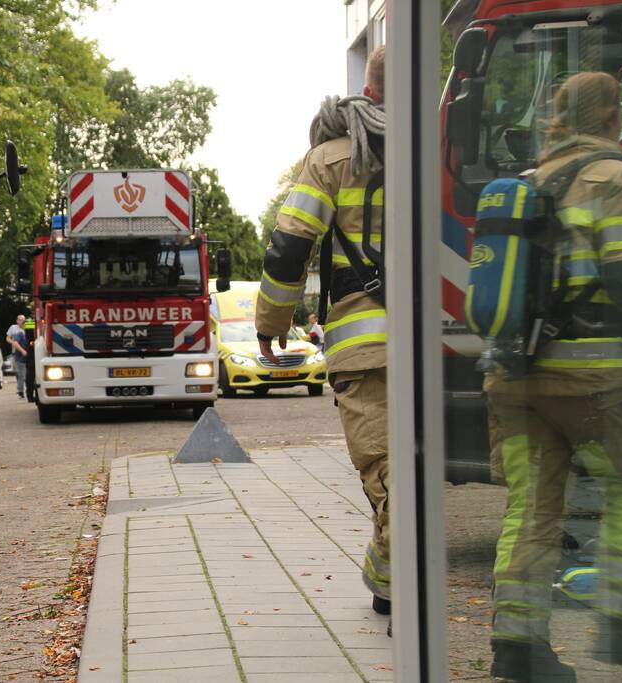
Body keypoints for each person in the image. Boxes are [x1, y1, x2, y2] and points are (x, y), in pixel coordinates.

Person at [485, 72, 622, 682]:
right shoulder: (615, 177)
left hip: (516, 377)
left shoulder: (529, 181)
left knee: (531, 508)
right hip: (593, 377)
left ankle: (518, 645)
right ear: (613, 118)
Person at [255, 47, 392, 620]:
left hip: (367, 345)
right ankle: (387, 583)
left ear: (370, 88)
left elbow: (290, 246)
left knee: (386, 470)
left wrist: (271, 324)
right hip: (439, 343)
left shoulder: (331, 158)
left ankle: (396, 586)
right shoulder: (441, 145)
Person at [7, 314, 28, 399]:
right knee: (20, 373)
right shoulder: (14, 328)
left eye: (23, 320)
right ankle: (20, 391)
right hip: (16, 353)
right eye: (20, 319)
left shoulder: (28, 331)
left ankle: (23, 390)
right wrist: (14, 343)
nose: (21, 321)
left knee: (24, 374)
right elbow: (8, 338)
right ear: (17, 320)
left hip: (25, 355)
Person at [24, 318, 37, 402]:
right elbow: (30, 337)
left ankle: (30, 396)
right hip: (32, 349)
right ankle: (30, 396)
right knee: (31, 375)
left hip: (32, 349)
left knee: (31, 374)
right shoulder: (30, 321)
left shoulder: (30, 321)